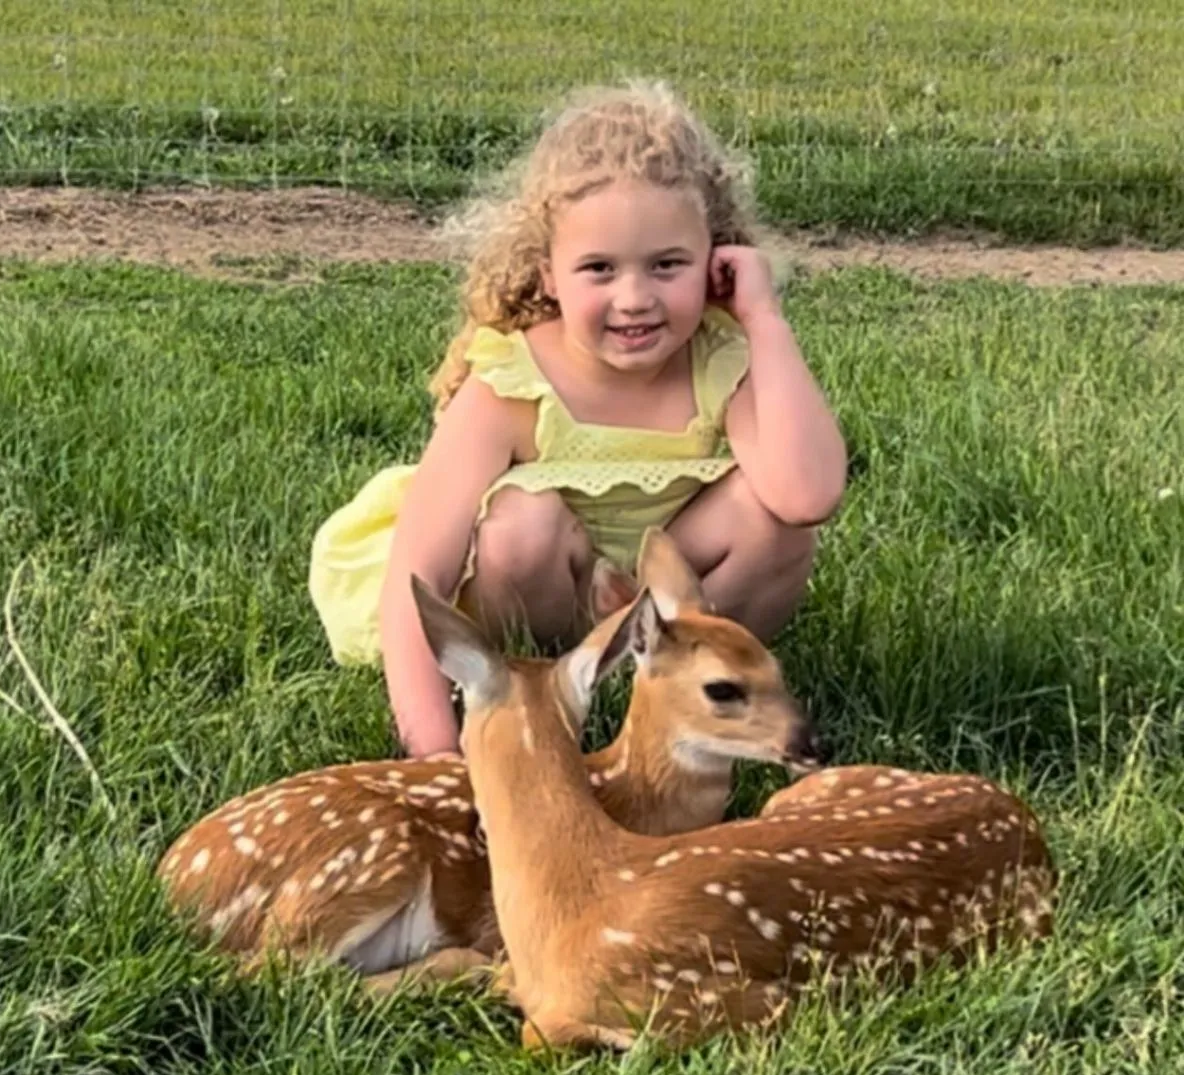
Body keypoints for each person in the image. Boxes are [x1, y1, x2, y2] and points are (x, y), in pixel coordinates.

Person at [308, 80, 847, 758]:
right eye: (599, 268)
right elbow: (418, 574)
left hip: (670, 609)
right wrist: (432, 752)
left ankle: (672, 692)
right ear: (550, 275)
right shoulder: (509, 385)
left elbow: (809, 496)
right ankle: (541, 693)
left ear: (714, 259)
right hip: (543, 605)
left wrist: (763, 318)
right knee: (521, 527)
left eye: (667, 265)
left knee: (773, 521)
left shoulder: (719, 359)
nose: (635, 298)